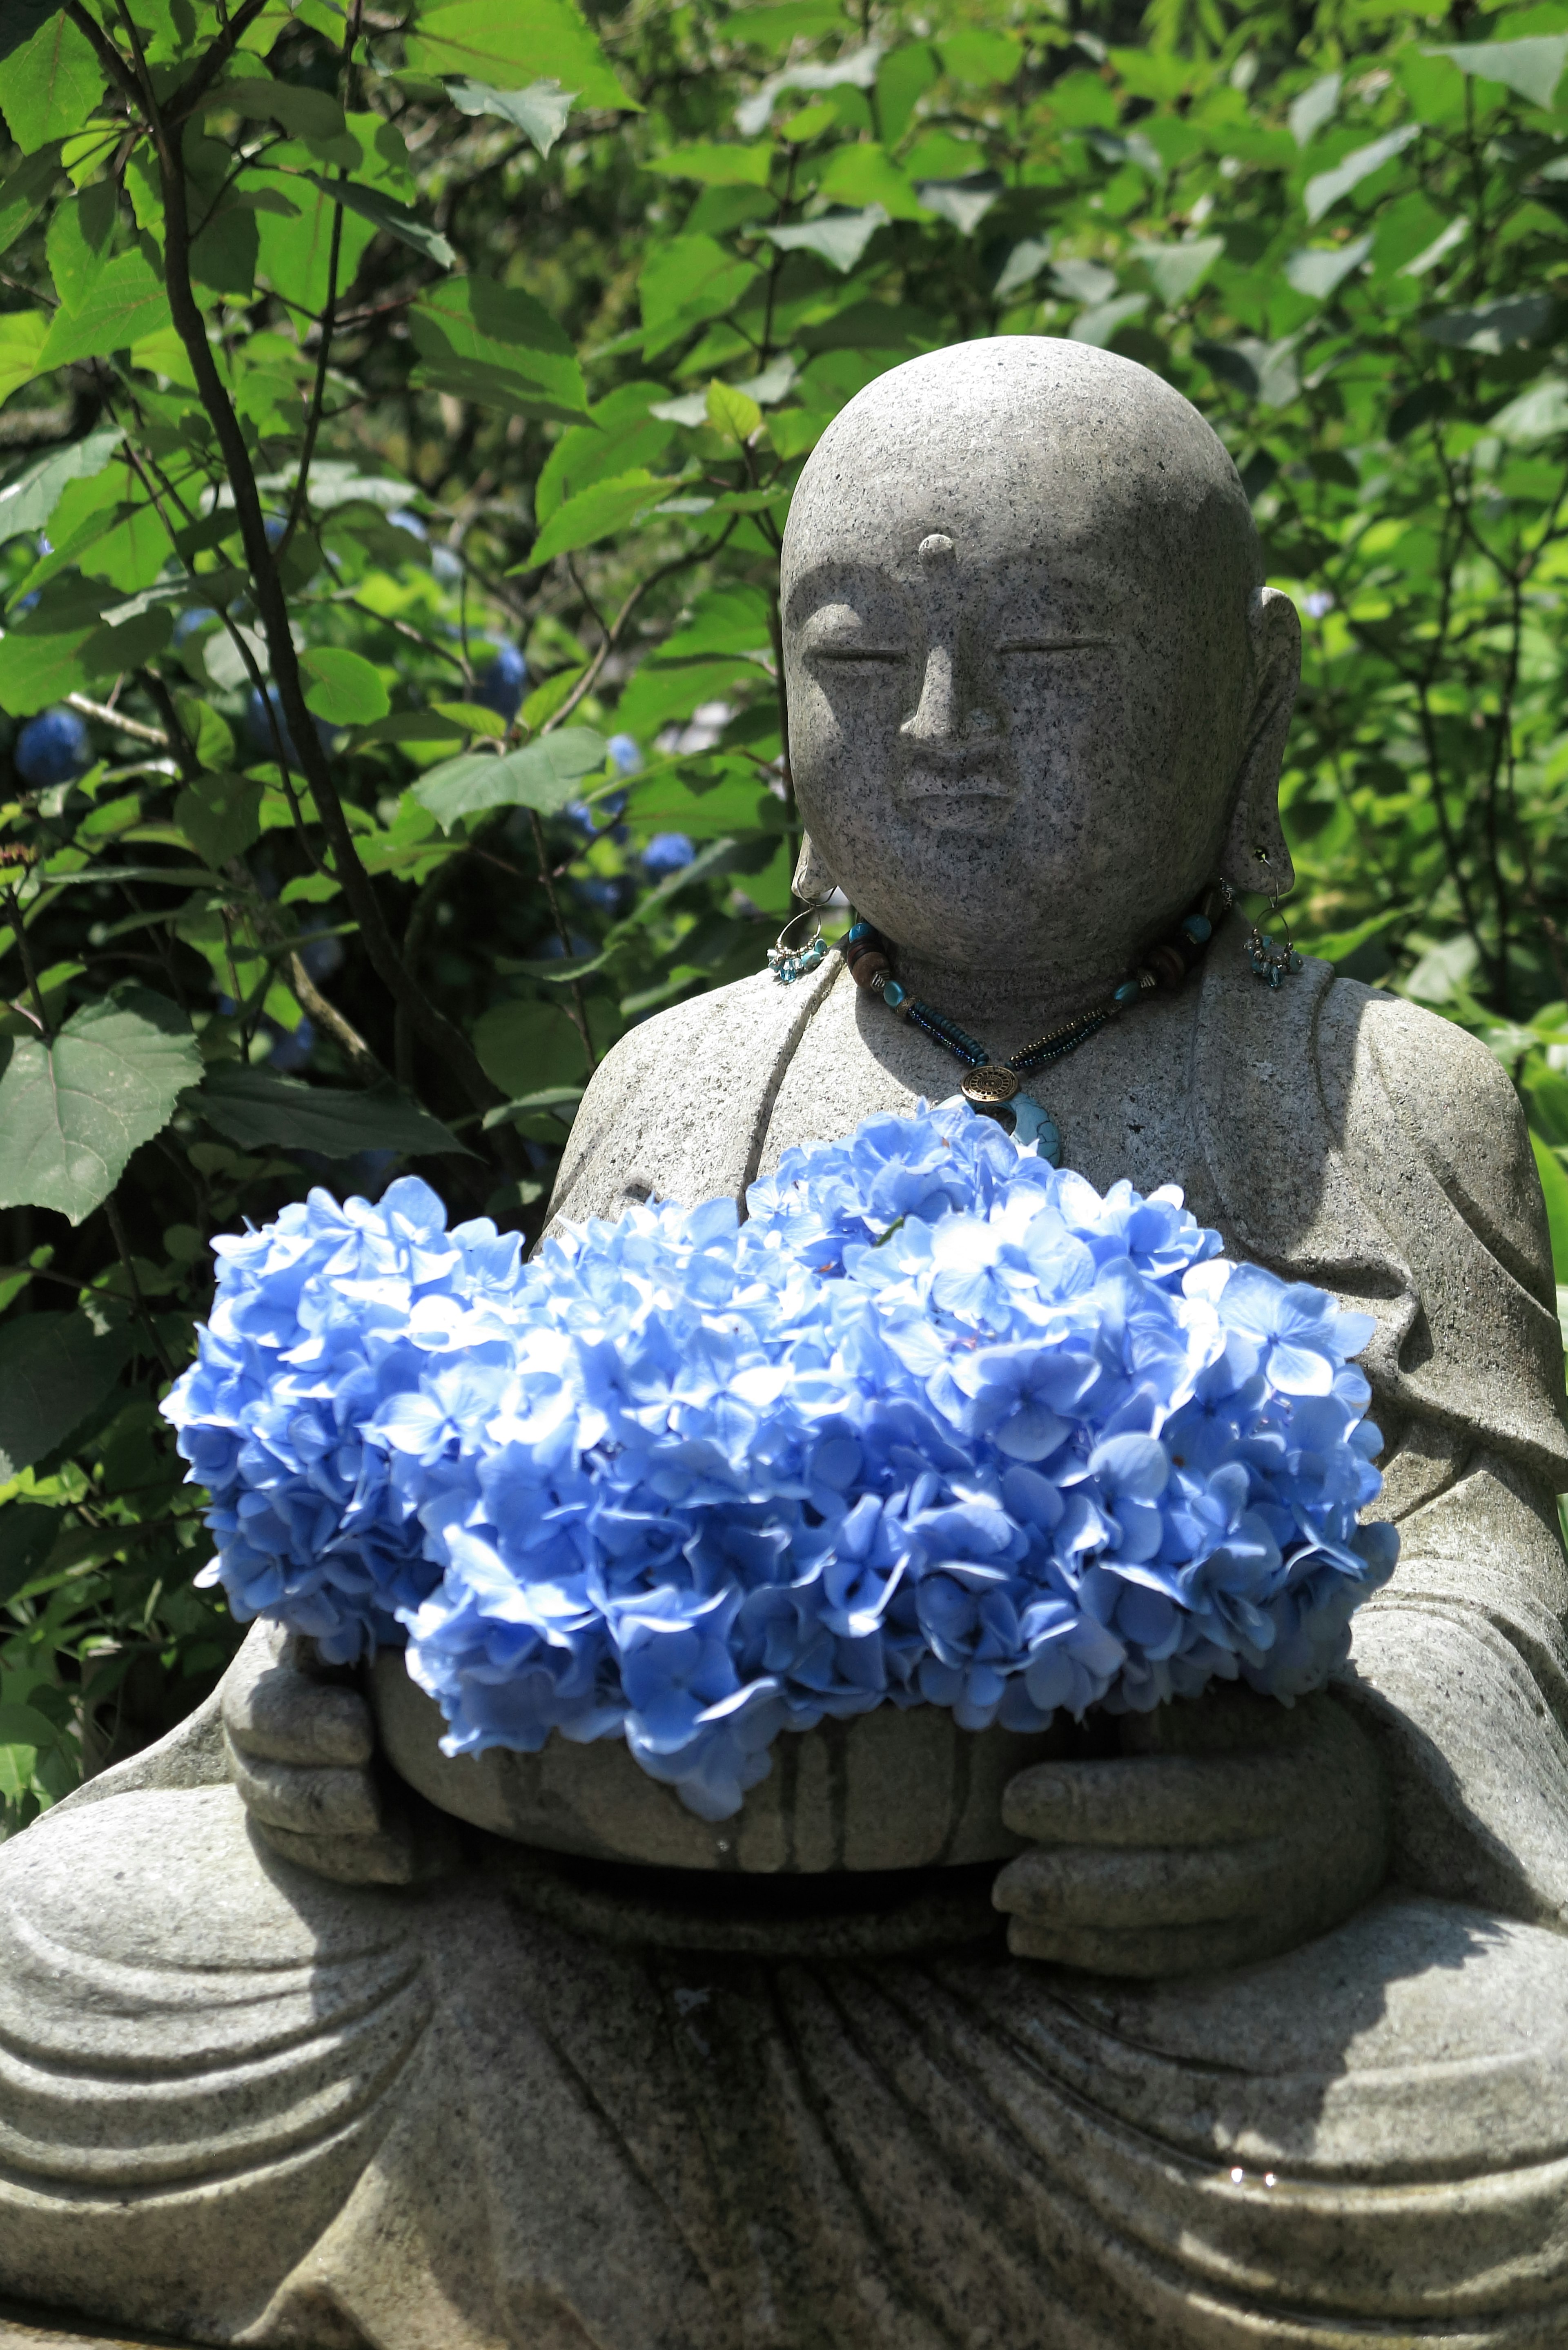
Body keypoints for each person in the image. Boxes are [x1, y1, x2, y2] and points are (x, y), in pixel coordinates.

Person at [4, 338, 1568, 2350]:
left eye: (1054, 653)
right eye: (855, 657)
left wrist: (1346, 1789)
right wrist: (315, 1698)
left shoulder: (1378, 1091)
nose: (943, 728)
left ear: (1252, 696)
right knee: (56, 1949)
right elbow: (493, 1498)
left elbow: (1502, 1567)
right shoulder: (684, 1078)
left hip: (1133, 2004)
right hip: (597, 1942)